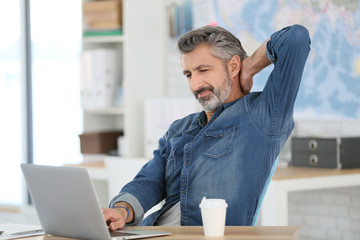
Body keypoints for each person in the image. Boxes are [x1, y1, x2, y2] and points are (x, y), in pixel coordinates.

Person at [103, 24, 311, 230]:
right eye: (189, 74)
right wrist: (122, 210)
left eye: (203, 70)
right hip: (154, 233)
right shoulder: (179, 129)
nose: (195, 85)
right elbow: (149, 181)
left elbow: (295, 38)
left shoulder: (262, 117)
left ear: (233, 66)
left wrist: (250, 67)